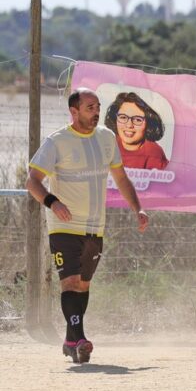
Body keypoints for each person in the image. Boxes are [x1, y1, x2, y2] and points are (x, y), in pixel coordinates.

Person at [26, 87, 149, 363]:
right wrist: (52, 202)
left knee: (82, 285)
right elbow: (32, 181)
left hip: (95, 227)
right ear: (74, 111)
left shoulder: (106, 138)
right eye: (90, 108)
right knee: (69, 282)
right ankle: (80, 339)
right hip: (64, 226)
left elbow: (121, 178)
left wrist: (138, 208)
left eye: (97, 107)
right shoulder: (57, 141)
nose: (96, 113)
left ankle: (71, 341)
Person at [104, 92, 169, 170]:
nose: (129, 125)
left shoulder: (153, 152)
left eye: (138, 120)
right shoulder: (108, 143)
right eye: (123, 117)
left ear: (148, 123)